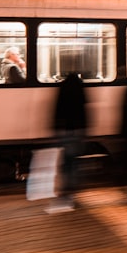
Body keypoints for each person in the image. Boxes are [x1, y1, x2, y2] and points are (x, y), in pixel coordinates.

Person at [49, 71, 87, 211]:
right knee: (74, 162)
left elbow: (57, 110)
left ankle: (65, 189)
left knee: (65, 162)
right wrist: (85, 130)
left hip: (64, 130)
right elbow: (84, 111)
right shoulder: (80, 88)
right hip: (76, 131)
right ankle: (73, 189)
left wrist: (55, 129)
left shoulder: (62, 88)